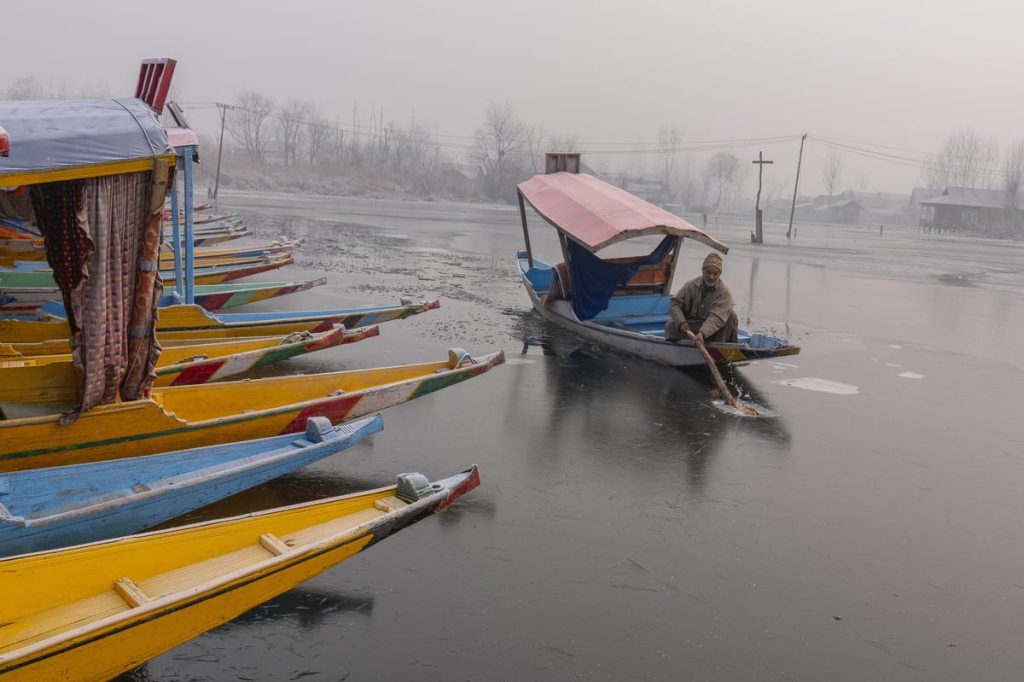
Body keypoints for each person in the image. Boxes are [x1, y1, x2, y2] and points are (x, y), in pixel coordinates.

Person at [664, 252, 739, 345]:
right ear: (702, 271)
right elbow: (674, 304)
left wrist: (702, 334)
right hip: (695, 326)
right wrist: (681, 322)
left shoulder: (724, 293)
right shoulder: (690, 286)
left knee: (731, 315)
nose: (711, 277)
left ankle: (718, 348)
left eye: (715, 274)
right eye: (708, 273)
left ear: (720, 274)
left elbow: (716, 318)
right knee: (670, 326)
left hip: (715, 331)